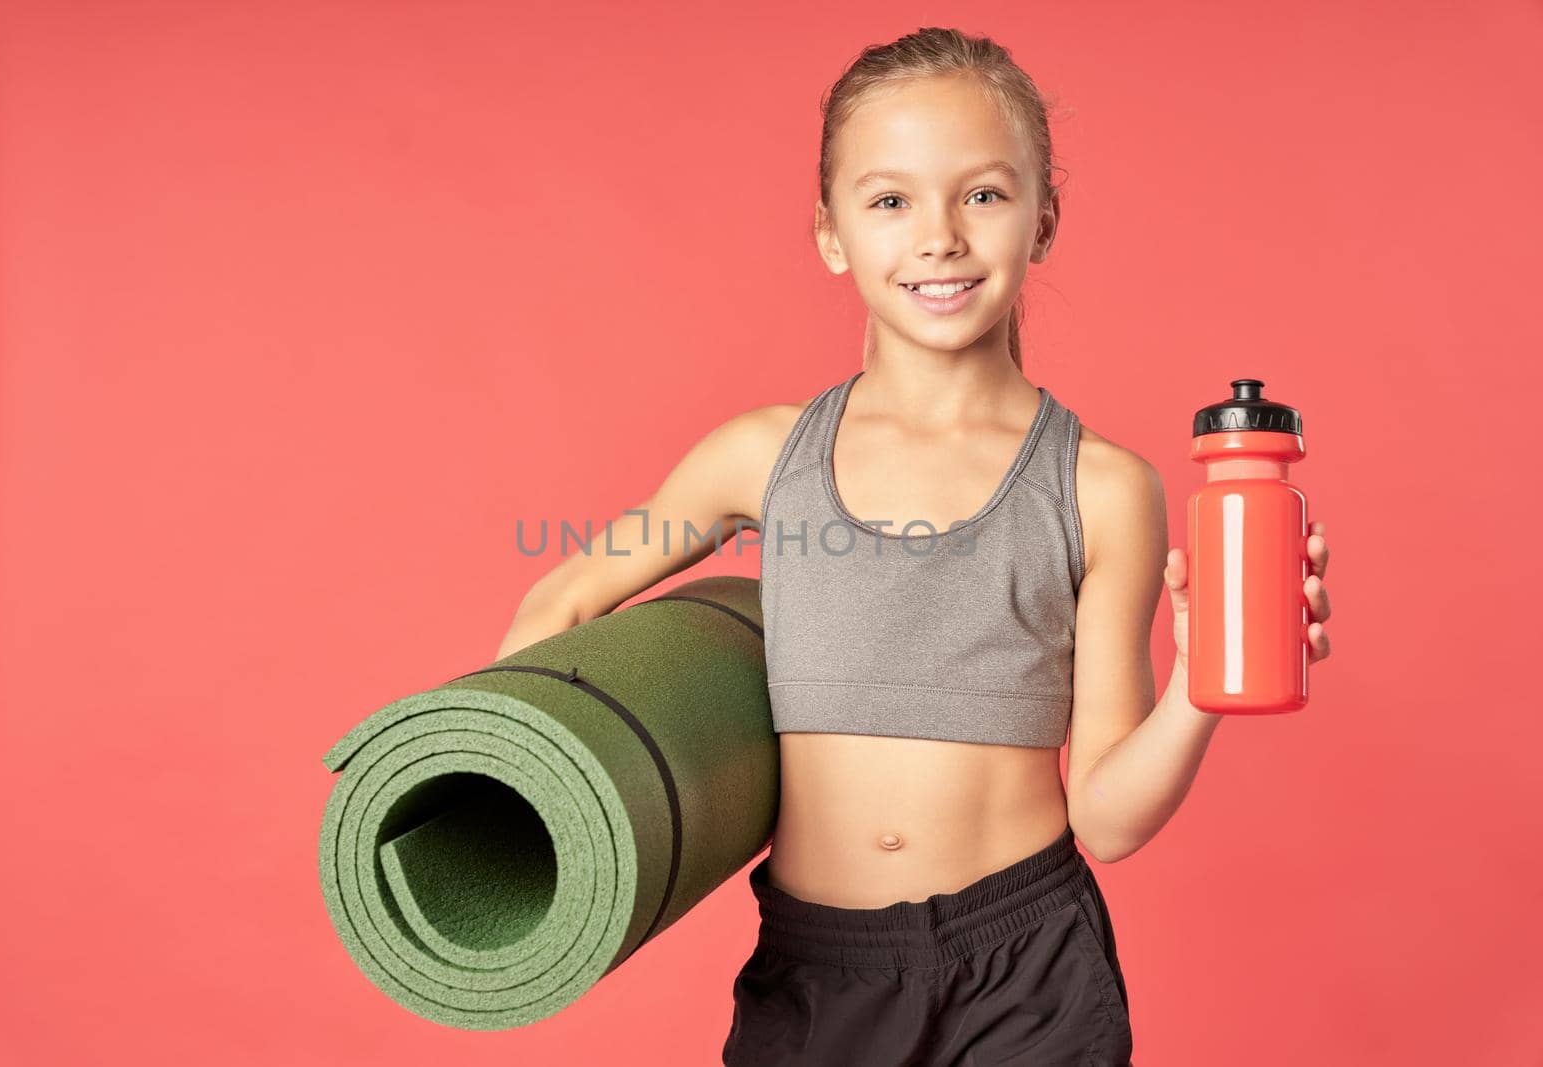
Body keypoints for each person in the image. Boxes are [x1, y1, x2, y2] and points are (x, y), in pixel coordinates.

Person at [494, 26, 1335, 1067]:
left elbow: (1108, 818)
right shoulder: (760, 459)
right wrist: (495, 770)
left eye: (981, 194)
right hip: (816, 970)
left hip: (1026, 970)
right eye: (889, 200)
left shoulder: (1104, 488)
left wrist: (1203, 685)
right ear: (830, 232)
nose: (938, 235)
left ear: (1043, 219)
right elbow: (568, 598)